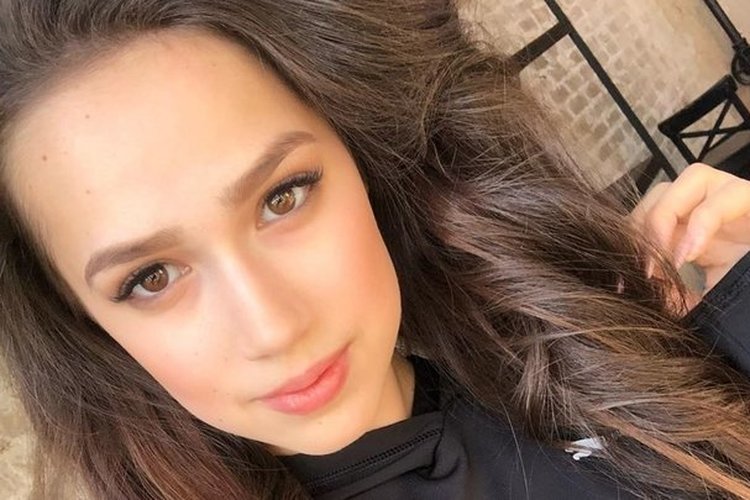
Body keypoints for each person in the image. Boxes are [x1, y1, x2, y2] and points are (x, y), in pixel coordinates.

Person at [1, 0, 750, 498]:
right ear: (84, 325)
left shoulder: (582, 350)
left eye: (283, 197)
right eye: (151, 277)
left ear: (363, 158)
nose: (272, 327)